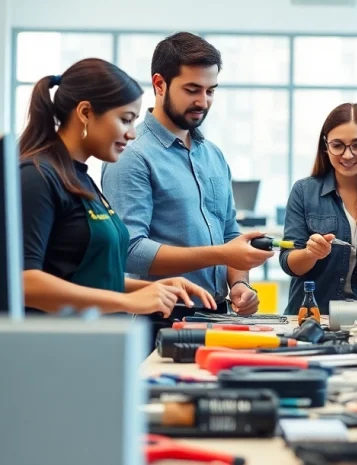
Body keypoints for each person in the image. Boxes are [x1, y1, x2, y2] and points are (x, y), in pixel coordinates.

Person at [101, 33, 273, 332]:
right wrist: (222, 254)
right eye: (192, 90)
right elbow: (130, 251)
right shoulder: (132, 155)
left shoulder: (213, 155)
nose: (203, 101)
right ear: (159, 84)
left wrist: (240, 285)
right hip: (160, 319)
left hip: (218, 315)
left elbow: (230, 234)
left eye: (210, 91)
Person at [20, 58, 215, 315]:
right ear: (85, 113)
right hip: (56, 338)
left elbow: (85, 278)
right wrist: (127, 302)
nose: (132, 133)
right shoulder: (37, 177)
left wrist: (149, 289)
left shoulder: (80, 178)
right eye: (125, 120)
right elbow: (24, 282)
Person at [280, 103, 357, 314]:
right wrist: (310, 254)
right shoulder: (304, 191)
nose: (347, 155)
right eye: (337, 145)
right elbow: (288, 263)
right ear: (325, 146)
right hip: (312, 315)